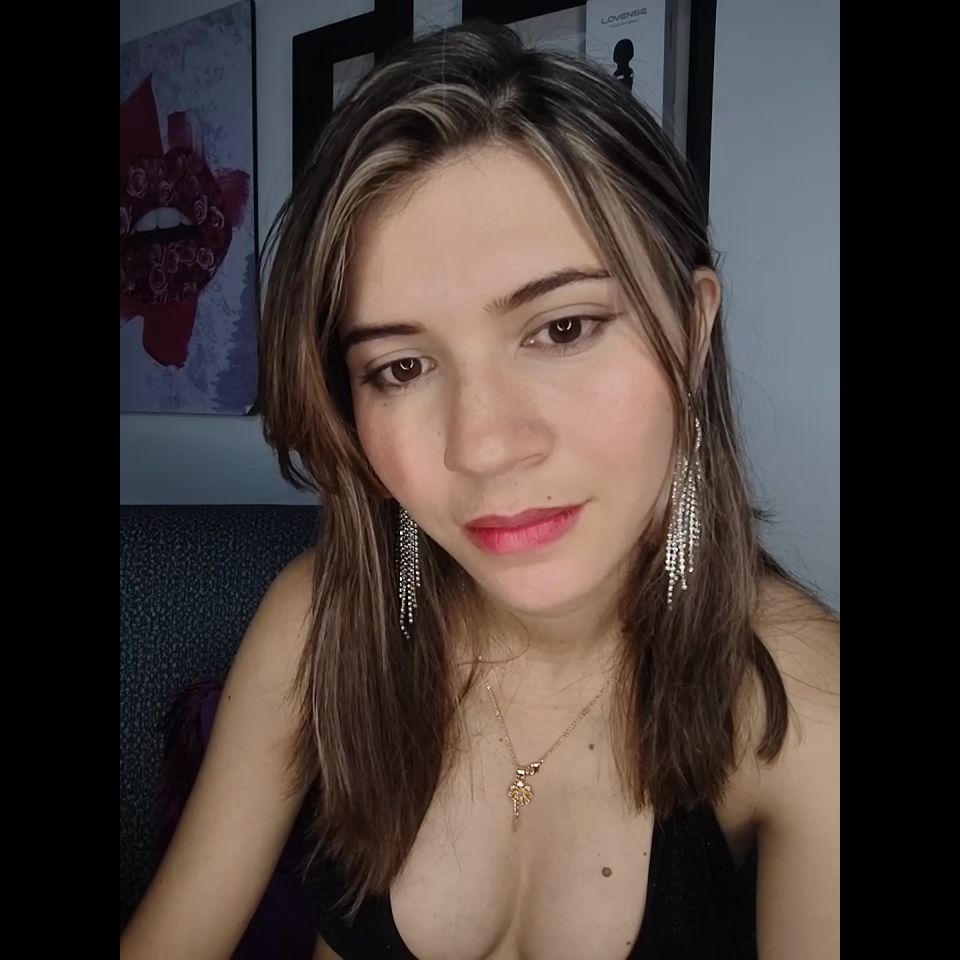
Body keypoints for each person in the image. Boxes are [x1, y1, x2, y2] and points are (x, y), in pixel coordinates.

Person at [120, 21, 839, 960]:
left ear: (693, 329)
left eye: (563, 328)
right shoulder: (318, 622)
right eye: (402, 366)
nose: (486, 446)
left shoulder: (806, 702)